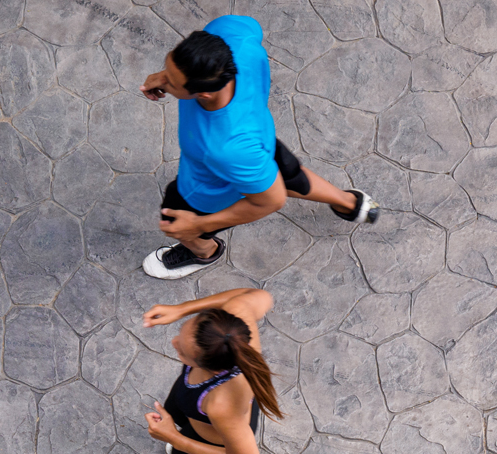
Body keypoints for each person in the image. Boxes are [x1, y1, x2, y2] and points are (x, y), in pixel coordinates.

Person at [140, 16, 378, 279]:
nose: (164, 80)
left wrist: (197, 224)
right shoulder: (231, 37)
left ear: (203, 94)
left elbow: (271, 200)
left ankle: (204, 253)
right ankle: (351, 203)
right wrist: (164, 77)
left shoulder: (225, 148)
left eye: (172, 82)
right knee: (288, 175)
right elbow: (251, 25)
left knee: (175, 223)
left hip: (204, 188)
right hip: (261, 138)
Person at [142, 286, 330, 454]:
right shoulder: (233, 324)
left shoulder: (221, 406)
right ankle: (180, 430)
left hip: (219, 432)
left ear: (213, 368)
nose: (174, 342)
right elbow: (261, 296)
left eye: (183, 353)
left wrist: (177, 439)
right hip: (203, 403)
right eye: (183, 332)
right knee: (175, 411)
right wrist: (182, 309)